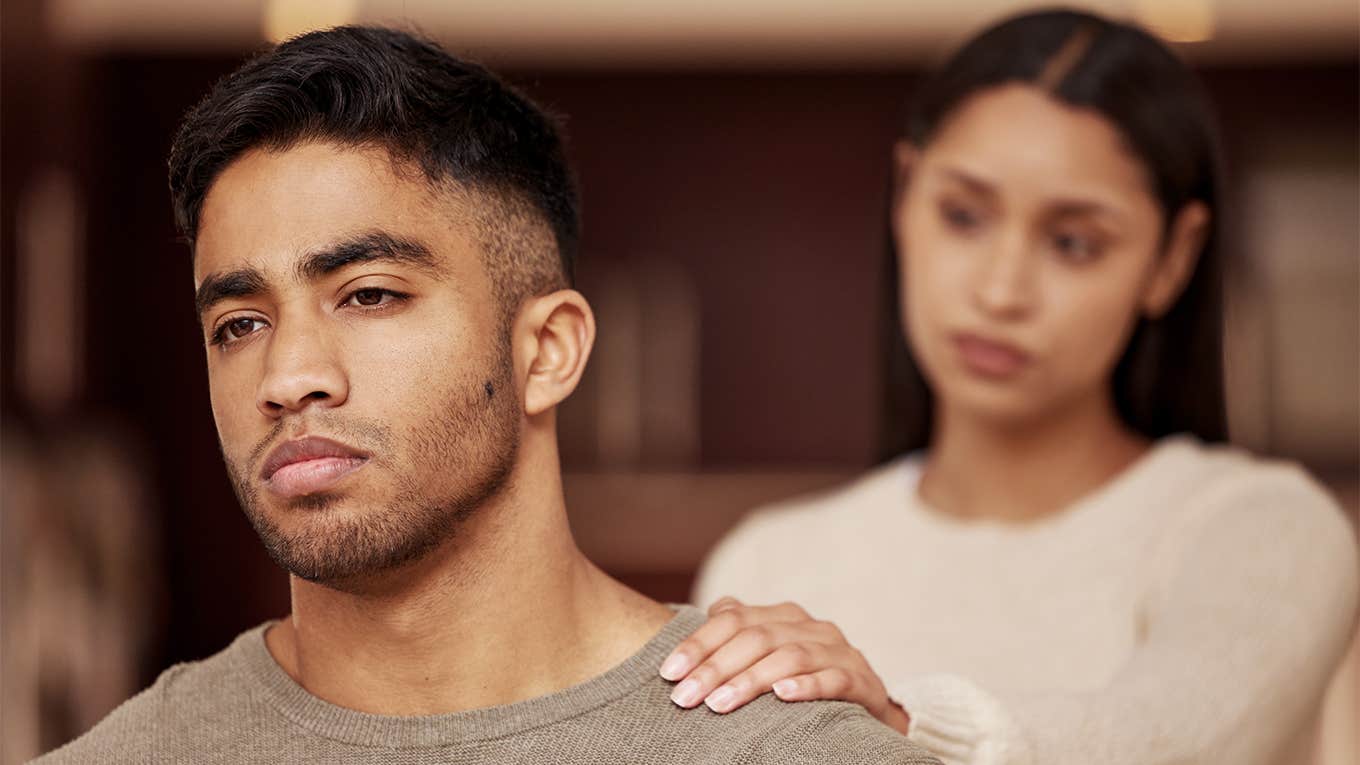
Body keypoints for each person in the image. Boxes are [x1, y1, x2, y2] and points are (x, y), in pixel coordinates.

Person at [36, 26, 940, 765]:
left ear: (546, 350)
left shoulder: (790, 750)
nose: (286, 376)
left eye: (369, 295)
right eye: (238, 323)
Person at [657, 9, 1359, 765]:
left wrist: (898, 726)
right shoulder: (767, 564)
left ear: (1172, 259)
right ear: (904, 195)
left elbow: (1169, 735)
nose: (1001, 289)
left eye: (1072, 242)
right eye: (963, 216)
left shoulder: (1265, 531)